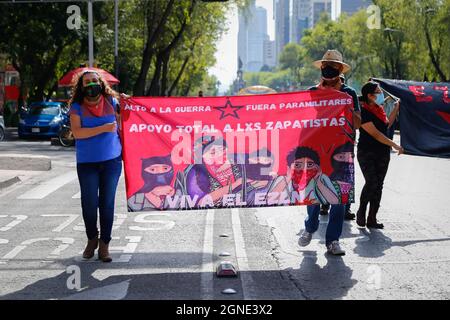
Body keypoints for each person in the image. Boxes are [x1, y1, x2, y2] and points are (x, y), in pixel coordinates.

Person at [299, 49, 360, 255]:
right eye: (325, 66)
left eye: (332, 67)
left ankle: (333, 240)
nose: (328, 69)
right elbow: (301, 119)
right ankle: (310, 227)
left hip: (341, 152)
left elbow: (358, 123)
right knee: (313, 193)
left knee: (339, 198)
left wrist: (348, 110)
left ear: (340, 69)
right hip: (315, 151)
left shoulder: (349, 94)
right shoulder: (312, 91)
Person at [69, 70, 123, 262]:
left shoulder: (113, 103)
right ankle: (92, 238)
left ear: (101, 83)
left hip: (112, 161)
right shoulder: (77, 107)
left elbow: (126, 123)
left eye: (94, 81)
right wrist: (103, 128)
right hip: (87, 163)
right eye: (87, 82)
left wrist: (128, 104)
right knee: (89, 204)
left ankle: (104, 245)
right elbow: (77, 133)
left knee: (107, 204)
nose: (91, 84)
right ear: (81, 87)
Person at [356, 81, 403, 229]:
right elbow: (376, 134)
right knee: (372, 182)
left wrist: (396, 108)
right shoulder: (362, 111)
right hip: (366, 152)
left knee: (379, 185)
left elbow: (387, 125)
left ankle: (372, 218)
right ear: (369, 96)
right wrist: (394, 144)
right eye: (378, 92)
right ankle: (361, 212)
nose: (381, 94)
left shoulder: (379, 109)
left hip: (382, 153)